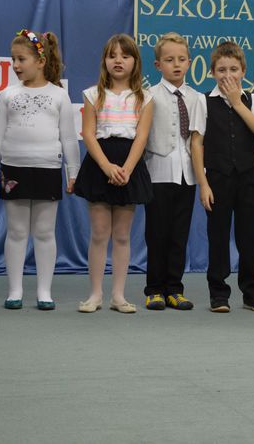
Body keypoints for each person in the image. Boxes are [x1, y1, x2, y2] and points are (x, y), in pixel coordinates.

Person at [0, 29, 80, 310]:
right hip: (14, 169)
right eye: (13, 59)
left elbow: (69, 137)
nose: (15, 65)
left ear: (40, 61)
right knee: (16, 231)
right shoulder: (8, 94)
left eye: (21, 59)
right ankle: (15, 290)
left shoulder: (58, 95)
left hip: (47, 168)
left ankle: (44, 291)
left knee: (44, 232)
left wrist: (73, 171)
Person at [74, 34, 153, 314]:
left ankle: (118, 295)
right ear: (104, 61)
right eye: (112, 55)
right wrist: (107, 166)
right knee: (99, 233)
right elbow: (88, 133)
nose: (118, 60)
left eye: (125, 56)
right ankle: (95, 294)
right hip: (100, 164)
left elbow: (142, 137)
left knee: (121, 235)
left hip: (129, 165)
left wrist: (127, 169)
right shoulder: (92, 94)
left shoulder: (145, 97)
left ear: (135, 62)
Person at [190, 41, 254, 313]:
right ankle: (218, 293)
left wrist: (237, 103)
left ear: (243, 71)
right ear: (212, 72)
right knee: (218, 236)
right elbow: (196, 143)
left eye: (234, 69)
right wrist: (203, 184)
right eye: (222, 70)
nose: (228, 75)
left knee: (250, 236)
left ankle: (252, 293)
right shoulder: (204, 101)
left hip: (248, 178)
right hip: (217, 177)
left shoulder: (253, 100)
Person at [142, 32, 200, 311]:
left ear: (189, 62)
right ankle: (154, 289)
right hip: (158, 172)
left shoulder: (197, 97)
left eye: (181, 59)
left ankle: (175, 288)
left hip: (187, 174)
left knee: (179, 234)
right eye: (169, 60)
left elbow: (199, 139)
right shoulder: (148, 96)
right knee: (157, 234)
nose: (176, 64)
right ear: (157, 65)